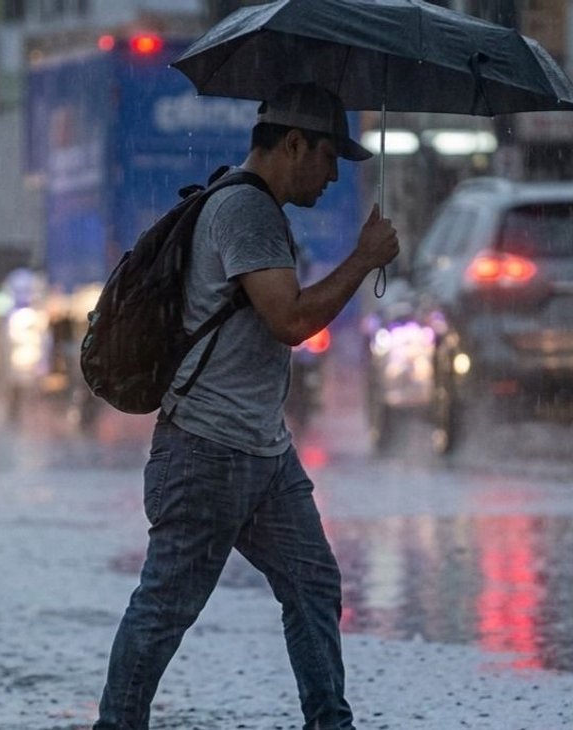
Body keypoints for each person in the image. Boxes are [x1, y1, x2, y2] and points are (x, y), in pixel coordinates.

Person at [92, 83, 399, 730]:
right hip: (209, 450)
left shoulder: (257, 210)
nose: (332, 177)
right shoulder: (247, 212)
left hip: (263, 451)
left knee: (312, 582)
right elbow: (290, 319)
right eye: (327, 159)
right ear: (293, 144)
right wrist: (364, 258)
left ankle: (330, 721)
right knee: (166, 606)